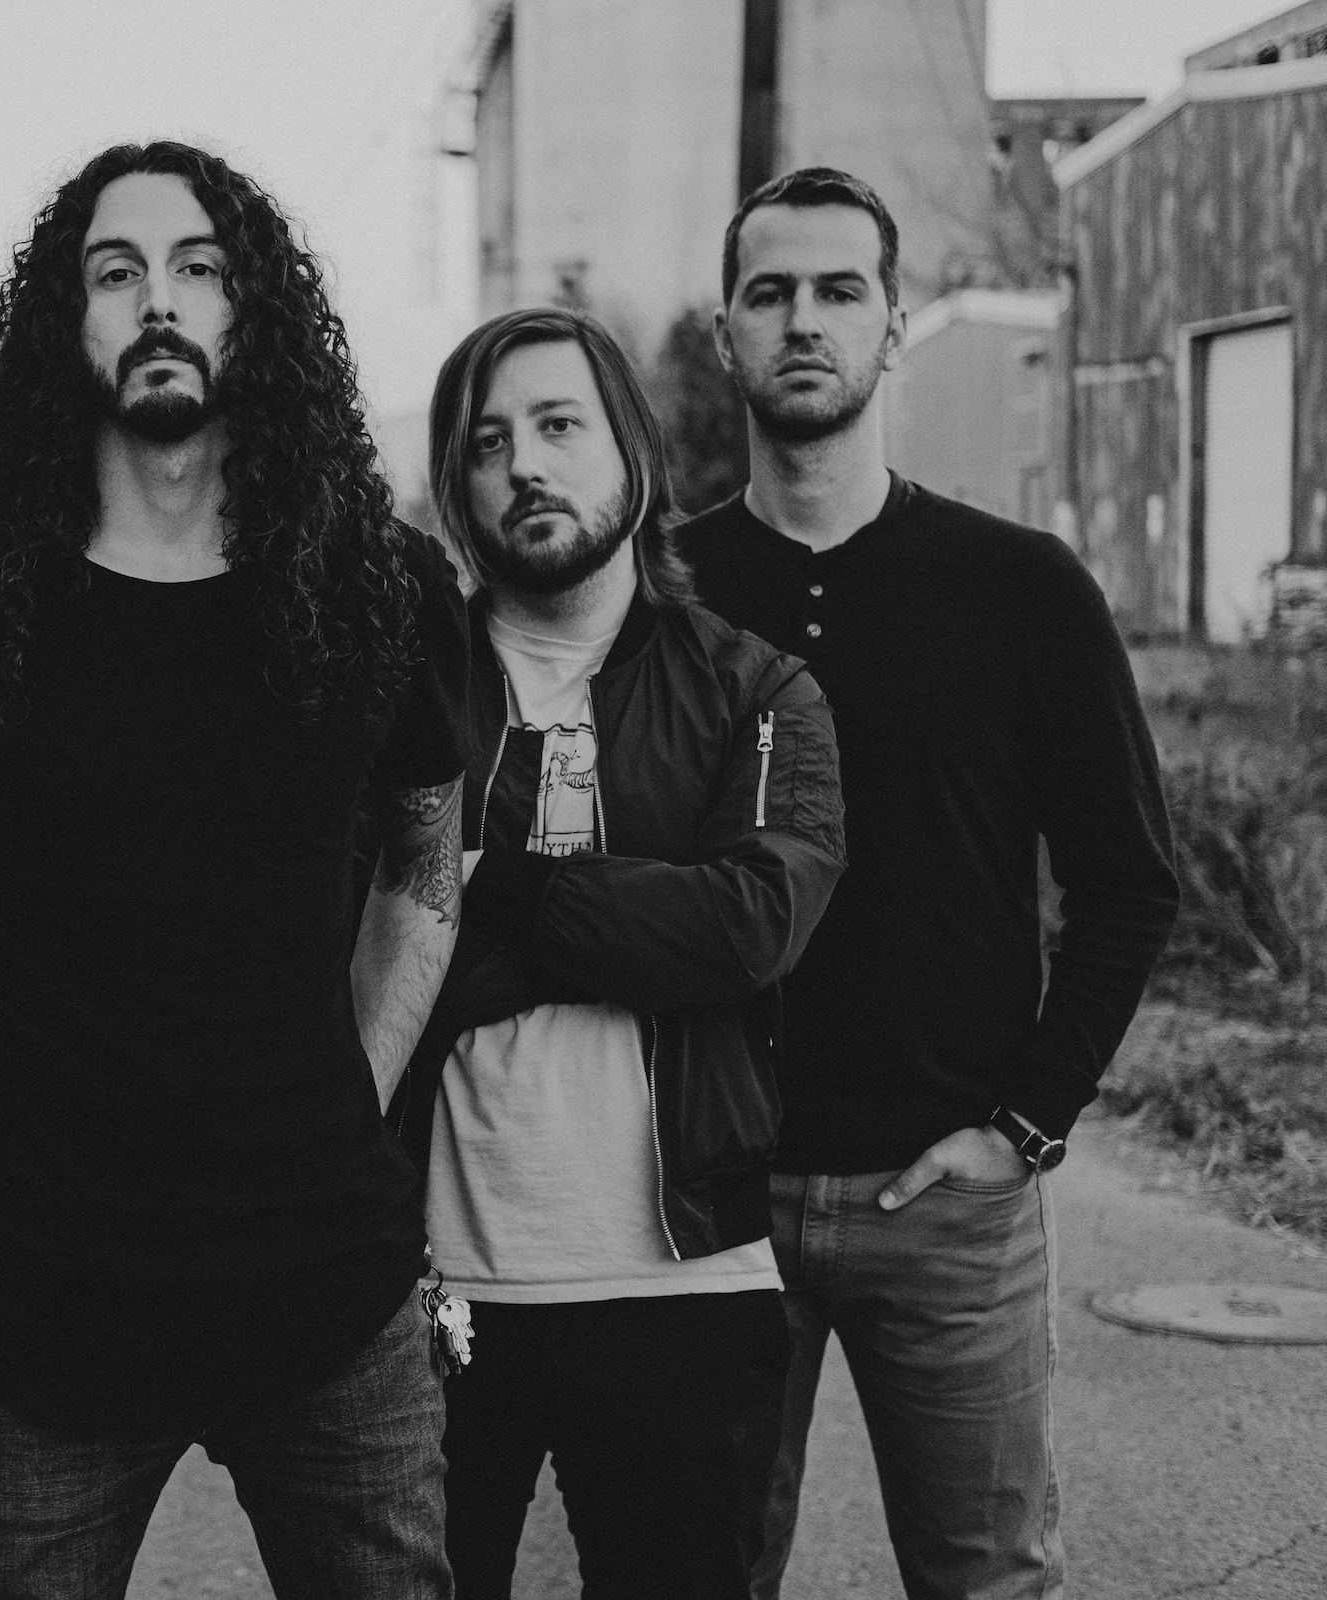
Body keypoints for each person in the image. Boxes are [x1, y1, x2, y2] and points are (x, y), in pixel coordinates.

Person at [0, 140, 470, 1599]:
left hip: (326, 1291)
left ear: (254, 311)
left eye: (199, 268)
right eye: (116, 271)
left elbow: (426, 870)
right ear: (63, 321)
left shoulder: (379, 587)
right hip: (44, 1304)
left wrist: (351, 1088)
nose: (158, 301)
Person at [679, 167, 1179, 1600]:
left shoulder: (1023, 588)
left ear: (895, 325)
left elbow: (1128, 882)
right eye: (771, 292)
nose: (805, 320)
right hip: (709, 1209)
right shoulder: (662, 592)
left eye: (841, 290)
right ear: (726, 333)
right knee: (690, 1573)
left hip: (951, 1204)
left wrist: (1023, 1126)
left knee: (989, 1580)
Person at [398, 306, 843, 1598]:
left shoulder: (757, 691)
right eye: (488, 442)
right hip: (430, 1290)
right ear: (457, 485)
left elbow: (750, 925)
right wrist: (639, 922)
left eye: (558, 425)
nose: (524, 464)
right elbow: (345, 945)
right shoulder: (399, 687)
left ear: (635, 454)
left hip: (685, 1285)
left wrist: (499, 890)